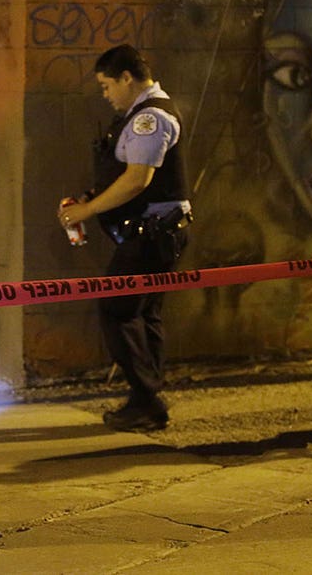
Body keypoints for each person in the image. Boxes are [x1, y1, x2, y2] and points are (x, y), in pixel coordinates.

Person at [56, 44, 192, 432]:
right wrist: (89, 198)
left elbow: (137, 180)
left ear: (126, 78)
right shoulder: (142, 114)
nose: (105, 95)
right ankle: (147, 396)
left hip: (152, 236)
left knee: (117, 308)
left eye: (106, 86)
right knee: (142, 313)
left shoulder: (150, 118)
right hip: (155, 233)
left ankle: (146, 399)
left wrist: (87, 210)